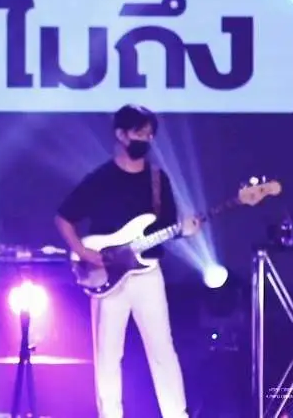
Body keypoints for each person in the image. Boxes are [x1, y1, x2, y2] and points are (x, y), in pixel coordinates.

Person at [53, 105, 201, 418]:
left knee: (162, 349)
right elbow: (64, 218)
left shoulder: (158, 180)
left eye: (149, 133)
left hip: (148, 274)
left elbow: (167, 228)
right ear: (121, 135)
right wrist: (83, 251)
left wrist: (184, 230)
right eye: (139, 132)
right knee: (108, 354)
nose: (146, 139)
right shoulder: (100, 179)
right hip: (107, 276)